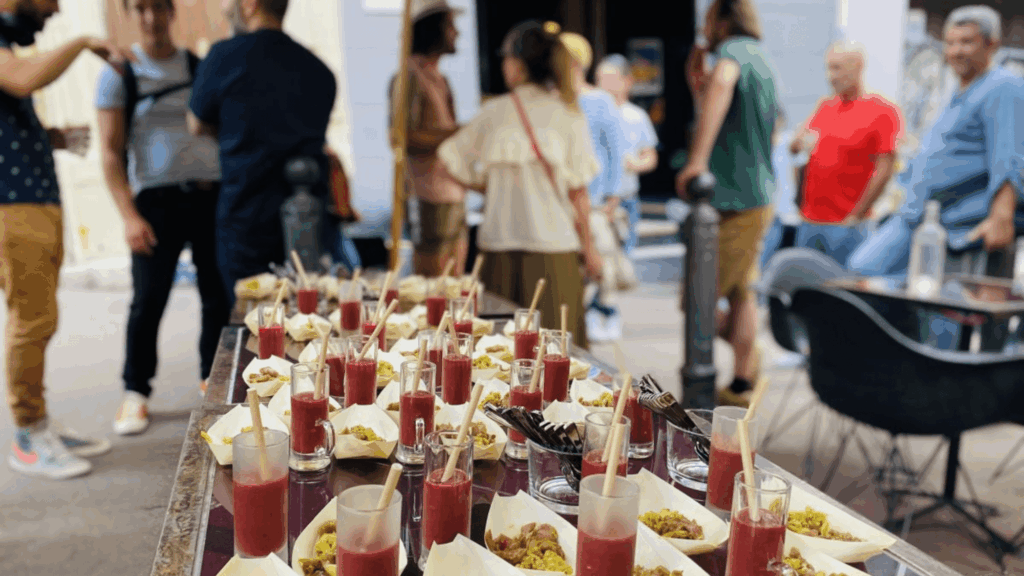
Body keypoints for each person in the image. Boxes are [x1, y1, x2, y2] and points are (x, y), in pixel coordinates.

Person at [1, 0, 131, 479]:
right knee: (31, 321)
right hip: (13, 203)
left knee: (41, 318)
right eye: (49, 0)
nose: (54, 11)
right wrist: (81, 42)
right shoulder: (9, 55)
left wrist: (48, 137)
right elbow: (19, 79)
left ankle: (39, 423)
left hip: (31, 198)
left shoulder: (10, 46)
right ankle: (29, 435)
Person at [96, 0, 227, 435]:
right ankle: (136, 391)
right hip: (155, 202)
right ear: (133, 13)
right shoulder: (119, 73)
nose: (151, 18)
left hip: (209, 196)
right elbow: (111, 154)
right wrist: (128, 216)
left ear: (171, 11)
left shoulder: (198, 65)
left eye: (159, 7)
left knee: (217, 295)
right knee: (148, 299)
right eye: (142, 9)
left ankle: (212, 378)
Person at [438, 20, 602, 347]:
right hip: (555, 252)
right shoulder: (568, 114)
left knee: (501, 354)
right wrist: (590, 249)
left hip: (498, 251)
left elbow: (449, 158)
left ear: (516, 64)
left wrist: (490, 187)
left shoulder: (494, 112)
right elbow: (578, 193)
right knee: (560, 355)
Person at [848, 6, 1023, 279]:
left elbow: (1008, 154)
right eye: (950, 43)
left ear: (992, 45)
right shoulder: (959, 92)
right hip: (916, 217)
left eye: (967, 42)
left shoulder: (1002, 86)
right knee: (862, 272)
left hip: (955, 226)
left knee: (875, 278)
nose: (956, 51)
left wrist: (1002, 217)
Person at [188, 0, 337, 303]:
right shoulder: (320, 71)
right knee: (307, 319)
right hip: (309, 222)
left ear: (251, 4)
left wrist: (234, 132)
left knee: (254, 327)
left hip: (247, 220)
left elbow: (196, 124)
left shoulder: (222, 57)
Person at [676, 0, 779, 407]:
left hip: (734, 199)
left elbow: (723, 84)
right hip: (755, 195)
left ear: (722, 20)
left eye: (708, 21)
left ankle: (747, 361)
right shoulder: (763, 60)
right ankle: (741, 380)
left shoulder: (732, 56)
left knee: (697, 300)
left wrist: (697, 160)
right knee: (740, 293)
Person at [790, 41, 901, 266]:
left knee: (841, 291)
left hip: (847, 226)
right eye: (828, 68)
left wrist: (857, 215)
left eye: (837, 68)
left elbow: (886, 166)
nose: (831, 76)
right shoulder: (825, 106)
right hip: (809, 221)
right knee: (804, 289)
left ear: (858, 67)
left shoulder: (882, 111)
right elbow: (796, 147)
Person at [389, 0, 466, 277]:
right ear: (432, 30)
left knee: (454, 286)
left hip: (452, 190)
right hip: (427, 195)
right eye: (450, 26)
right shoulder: (409, 76)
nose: (457, 33)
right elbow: (401, 138)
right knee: (433, 287)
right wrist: (458, 133)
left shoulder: (438, 77)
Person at [560, 33, 627, 342]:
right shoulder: (555, 100)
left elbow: (616, 150)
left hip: (596, 200)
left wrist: (613, 196)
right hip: (562, 203)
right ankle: (581, 317)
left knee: (601, 262)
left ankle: (606, 312)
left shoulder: (600, 101)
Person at [596, 53, 659, 256]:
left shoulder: (636, 116)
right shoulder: (589, 114)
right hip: (597, 200)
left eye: (610, 80)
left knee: (624, 259)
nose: (603, 86)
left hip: (627, 198)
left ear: (627, 82)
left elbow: (650, 157)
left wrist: (633, 164)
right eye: (599, 80)